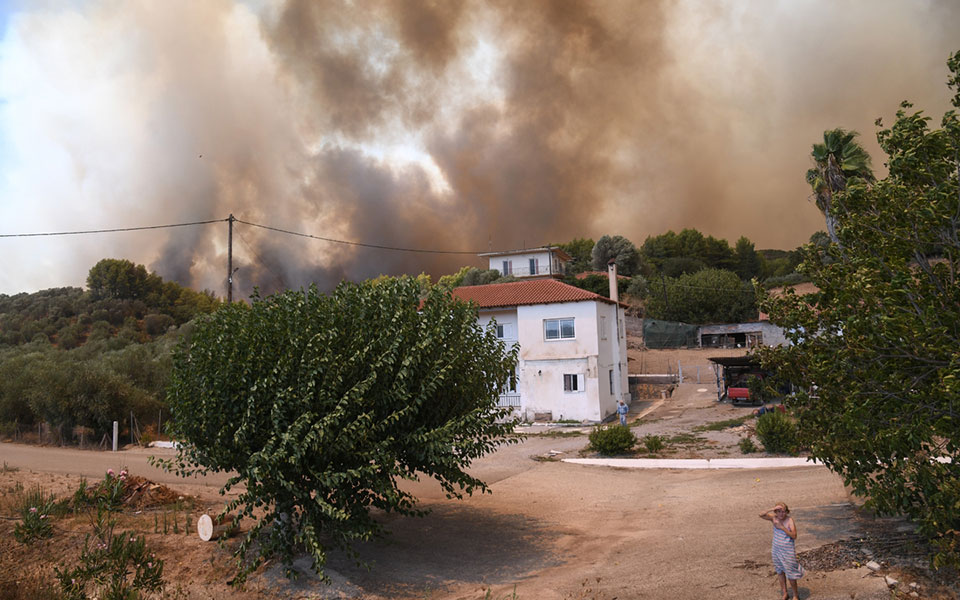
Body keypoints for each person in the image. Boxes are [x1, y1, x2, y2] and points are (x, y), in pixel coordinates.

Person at [760, 502, 804, 600]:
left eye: (783, 511)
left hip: (787, 551)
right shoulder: (774, 518)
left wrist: (782, 528)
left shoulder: (790, 520)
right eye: (779, 511)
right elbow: (761, 514)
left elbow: (794, 535)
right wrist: (772, 509)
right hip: (776, 550)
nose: (781, 514)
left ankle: (795, 595)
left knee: (791, 574)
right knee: (780, 572)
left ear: (787, 512)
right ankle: (785, 593)